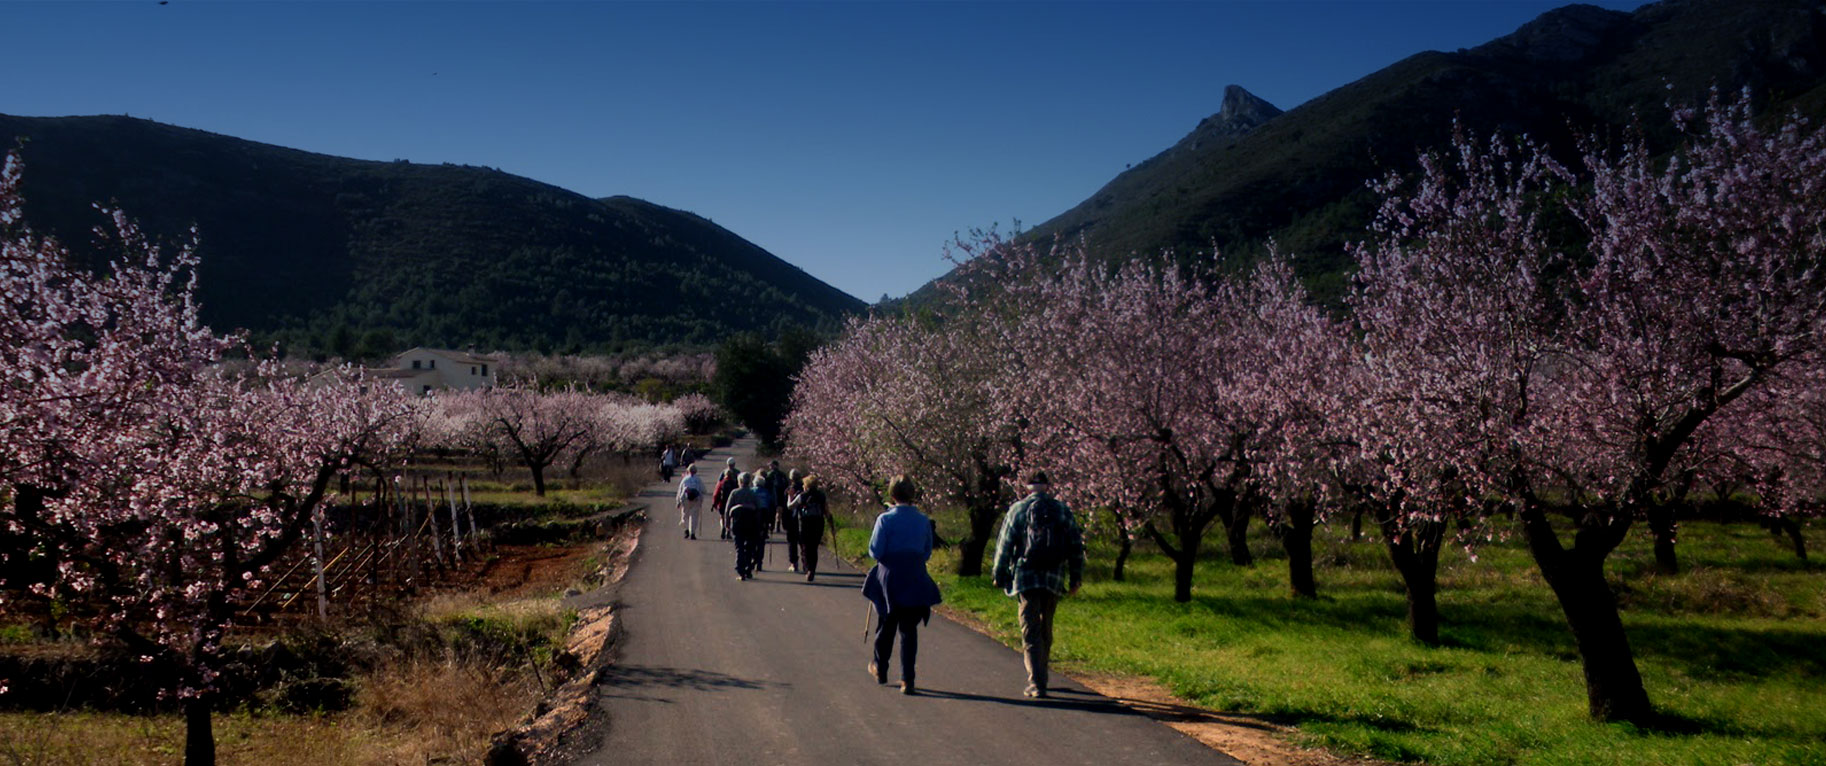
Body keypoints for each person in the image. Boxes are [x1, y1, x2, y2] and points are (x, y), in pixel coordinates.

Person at [990, 470, 1085, 699]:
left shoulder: (1018, 509)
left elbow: (1005, 544)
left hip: (1026, 576)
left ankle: (1036, 682)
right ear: (1047, 486)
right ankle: (1042, 674)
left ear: (1026, 486)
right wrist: (1075, 577)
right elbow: (1075, 545)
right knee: (1046, 627)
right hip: (1053, 576)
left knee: (1030, 629)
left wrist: (999, 573)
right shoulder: (1062, 510)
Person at [862, 475, 942, 695]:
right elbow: (926, 551)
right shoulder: (923, 520)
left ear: (892, 494)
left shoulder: (885, 519)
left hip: (890, 575)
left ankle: (880, 667)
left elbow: (876, 550)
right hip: (915, 574)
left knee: (887, 623)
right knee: (909, 629)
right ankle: (908, 679)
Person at [787, 474, 830, 581]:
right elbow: (826, 511)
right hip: (818, 523)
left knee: (805, 547)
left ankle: (807, 568)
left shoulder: (802, 496)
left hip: (805, 523)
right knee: (814, 547)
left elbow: (790, 506)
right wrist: (830, 520)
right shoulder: (821, 496)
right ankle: (812, 569)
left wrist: (790, 496)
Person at [726, 472, 766, 580]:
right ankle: (748, 570)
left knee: (739, 547)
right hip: (751, 524)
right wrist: (759, 525)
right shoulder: (753, 494)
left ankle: (741, 571)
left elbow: (727, 509)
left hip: (738, 523)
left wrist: (727, 524)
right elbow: (758, 510)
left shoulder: (734, 493)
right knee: (749, 548)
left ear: (740, 481)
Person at [675, 464, 705, 540]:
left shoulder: (685, 479)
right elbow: (703, 490)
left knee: (685, 515)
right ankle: (692, 533)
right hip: (696, 500)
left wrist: (678, 501)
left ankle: (686, 529)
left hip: (685, 500)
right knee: (694, 516)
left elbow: (680, 490)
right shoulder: (698, 480)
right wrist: (701, 499)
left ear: (688, 470)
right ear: (696, 471)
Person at [711, 460, 739, 540]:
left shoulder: (721, 482)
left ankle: (723, 527)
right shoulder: (735, 482)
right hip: (732, 502)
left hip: (722, 502)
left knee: (722, 516)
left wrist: (715, 503)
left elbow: (716, 493)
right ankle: (728, 531)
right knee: (731, 517)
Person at [782, 468, 804, 572]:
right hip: (803, 519)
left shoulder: (788, 489)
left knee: (792, 542)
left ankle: (793, 563)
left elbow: (785, 507)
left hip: (791, 519)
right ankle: (806, 562)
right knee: (803, 542)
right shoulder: (805, 489)